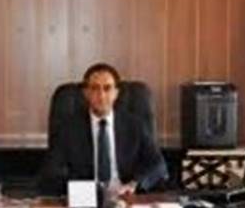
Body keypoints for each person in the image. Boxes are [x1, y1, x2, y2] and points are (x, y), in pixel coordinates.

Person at [38, 63, 167, 196]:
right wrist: (84, 191)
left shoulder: (135, 125)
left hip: (126, 195)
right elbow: (52, 172)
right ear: (86, 93)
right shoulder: (68, 129)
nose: (101, 95)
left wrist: (134, 185)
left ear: (116, 93)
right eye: (95, 88)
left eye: (107, 88)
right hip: (85, 198)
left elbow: (158, 165)